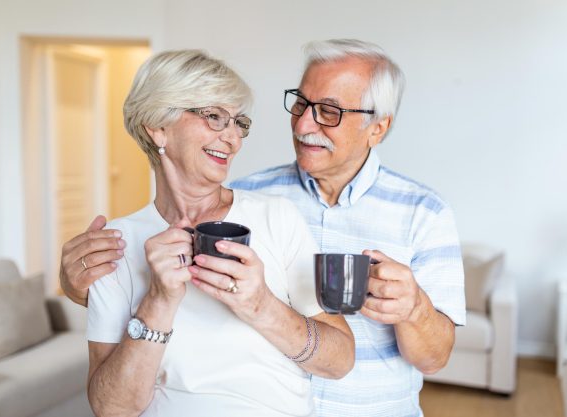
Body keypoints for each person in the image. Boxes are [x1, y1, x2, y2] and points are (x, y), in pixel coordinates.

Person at [61, 39, 465, 416]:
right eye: (301, 104)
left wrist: (413, 307)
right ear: (157, 126)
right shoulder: (248, 195)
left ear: (378, 127)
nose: (304, 125)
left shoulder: (422, 212)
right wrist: (89, 287)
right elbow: (113, 401)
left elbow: (430, 357)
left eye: (328, 111)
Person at [81, 49, 354, 417]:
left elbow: (339, 360)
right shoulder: (115, 243)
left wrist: (260, 305)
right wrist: (158, 301)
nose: (234, 139)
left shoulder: (276, 218)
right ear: (157, 125)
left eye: (238, 123)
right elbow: (110, 408)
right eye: (214, 117)